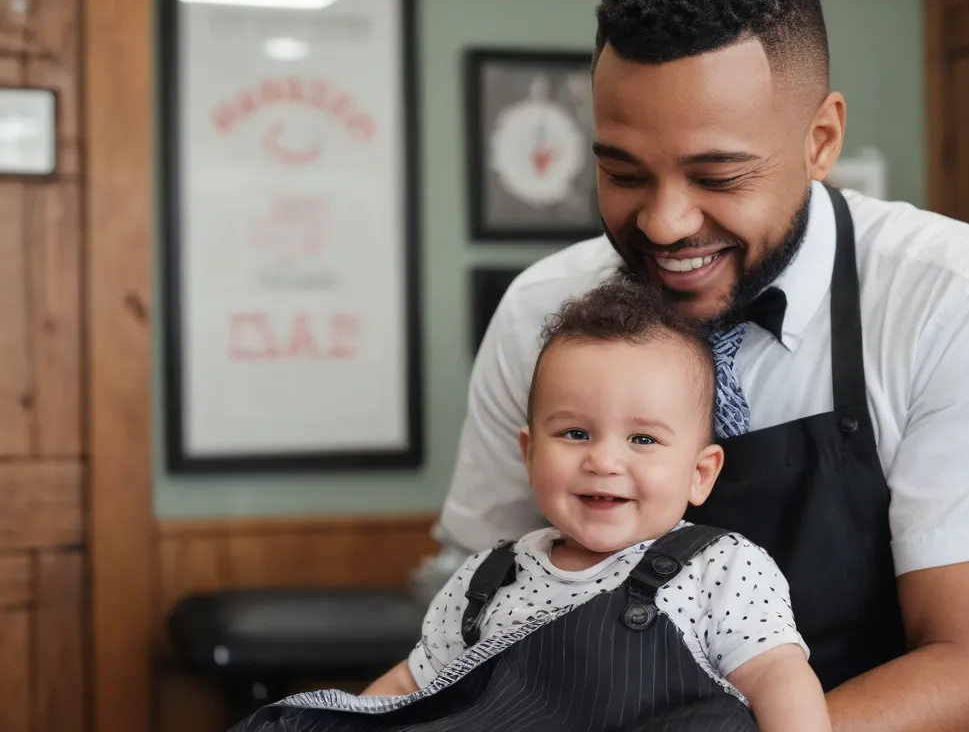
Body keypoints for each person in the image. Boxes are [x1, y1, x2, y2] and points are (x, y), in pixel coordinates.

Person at [407, 0, 969, 730]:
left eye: (717, 177)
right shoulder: (540, 314)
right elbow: (490, 616)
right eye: (623, 173)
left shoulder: (952, 299)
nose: (664, 223)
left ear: (820, 141)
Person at [231, 276, 831, 731]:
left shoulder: (722, 568)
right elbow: (411, 686)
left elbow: (779, 677)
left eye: (643, 439)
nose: (604, 461)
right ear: (528, 452)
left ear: (701, 474)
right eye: (574, 434)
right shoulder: (490, 578)